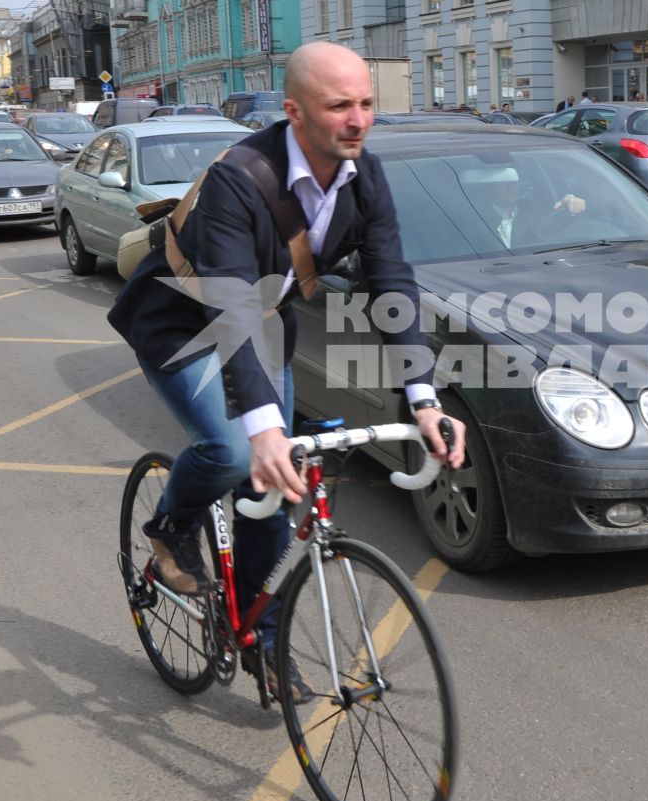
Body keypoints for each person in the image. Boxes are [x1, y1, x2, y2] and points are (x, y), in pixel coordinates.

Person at [108, 42, 466, 704]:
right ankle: (168, 530)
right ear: (295, 112)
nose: (358, 120)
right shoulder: (238, 179)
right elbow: (231, 302)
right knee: (237, 447)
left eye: (366, 104)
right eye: (340, 106)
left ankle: (263, 640)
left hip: (262, 324)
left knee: (272, 486)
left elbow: (390, 281)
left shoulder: (367, 177)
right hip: (184, 320)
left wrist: (424, 398)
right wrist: (265, 428)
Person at [464, 164, 586, 249]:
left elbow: (557, 231)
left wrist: (571, 202)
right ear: (489, 186)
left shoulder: (534, 210)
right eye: (503, 182)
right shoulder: (473, 216)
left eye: (513, 182)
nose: (510, 187)